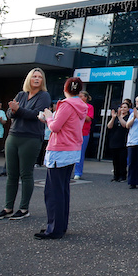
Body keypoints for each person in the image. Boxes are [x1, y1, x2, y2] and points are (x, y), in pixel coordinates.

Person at [0, 68, 51, 221]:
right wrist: (14, 111)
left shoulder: (44, 96)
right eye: (34, 76)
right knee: (11, 174)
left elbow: (37, 115)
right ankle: (8, 207)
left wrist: (18, 110)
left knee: (26, 173)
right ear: (29, 79)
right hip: (14, 135)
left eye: (39, 77)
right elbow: (9, 114)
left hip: (31, 137)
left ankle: (24, 208)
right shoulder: (21, 94)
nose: (37, 79)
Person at [36, 77, 89, 239]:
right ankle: (60, 225)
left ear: (65, 88)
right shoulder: (82, 105)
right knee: (63, 190)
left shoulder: (66, 104)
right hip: (72, 149)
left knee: (53, 192)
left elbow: (55, 126)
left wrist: (48, 116)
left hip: (60, 149)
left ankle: (54, 228)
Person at [106, 101, 130, 182]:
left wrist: (120, 117)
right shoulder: (115, 117)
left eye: (125, 107)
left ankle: (122, 175)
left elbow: (125, 125)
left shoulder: (129, 117)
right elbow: (109, 126)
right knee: (115, 159)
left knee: (122, 160)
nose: (123, 109)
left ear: (128, 109)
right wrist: (113, 118)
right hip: (114, 140)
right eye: (121, 107)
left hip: (123, 141)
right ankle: (116, 175)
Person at [72, 92, 93, 180]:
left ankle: (78, 172)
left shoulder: (89, 107)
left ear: (86, 98)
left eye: (81, 96)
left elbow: (88, 119)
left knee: (80, 153)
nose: (79, 98)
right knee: (71, 152)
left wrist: (80, 112)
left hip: (83, 132)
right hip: (73, 132)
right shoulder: (74, 105)